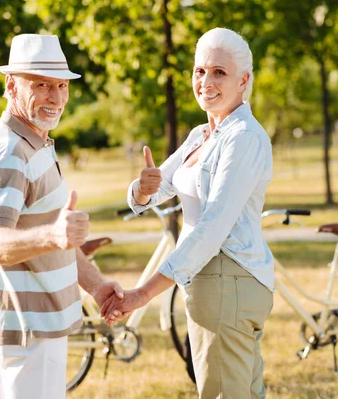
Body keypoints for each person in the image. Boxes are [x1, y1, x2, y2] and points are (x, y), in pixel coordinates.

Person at [101, 28, 274, 398]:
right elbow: (157, 188)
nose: (205, 81)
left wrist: (141, 294)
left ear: (243, 80)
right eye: (199, 71)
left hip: (228, 281)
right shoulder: (201, 135)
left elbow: (212, 230)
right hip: (213, 285)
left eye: (219, 72)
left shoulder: (243, 136)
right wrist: (141, 188)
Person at [0, 34, 124, 399]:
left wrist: (98, 287)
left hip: (40, 328)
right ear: (11, 86)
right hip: (25, 331)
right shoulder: (9, 152)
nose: (55, 97)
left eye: (61, 85)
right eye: (41, 85)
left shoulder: (34, 142)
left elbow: (57, 240)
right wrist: (52, 235)